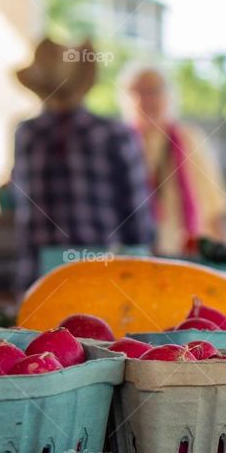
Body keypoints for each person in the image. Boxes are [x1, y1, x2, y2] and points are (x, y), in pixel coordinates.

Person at [12, 39, 157, 291]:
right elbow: (138, 220)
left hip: (38, 282)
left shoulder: (27, 134)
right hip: (103, 279)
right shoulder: (115, 134)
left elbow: (21, 205)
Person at [120, 63, 226, 256]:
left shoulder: (190, 138)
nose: (145, 100)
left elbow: (214, 209)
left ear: (168, 96)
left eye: (153, 91)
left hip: (189, 255)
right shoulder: (119, 142)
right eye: (137, 92)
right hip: (135, 257)